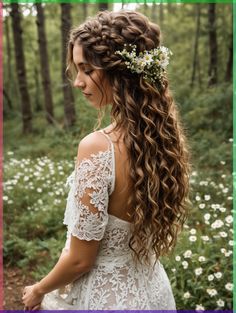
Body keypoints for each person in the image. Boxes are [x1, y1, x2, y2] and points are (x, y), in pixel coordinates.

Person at [22, 10, 189, 310]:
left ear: (120, 72)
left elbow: (80, 259)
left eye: (87, 69)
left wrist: (38, 290)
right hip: (153, 292)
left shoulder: (98, 146)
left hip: (106, 298)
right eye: (76, 69)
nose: (78, 82)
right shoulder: (161, 138)